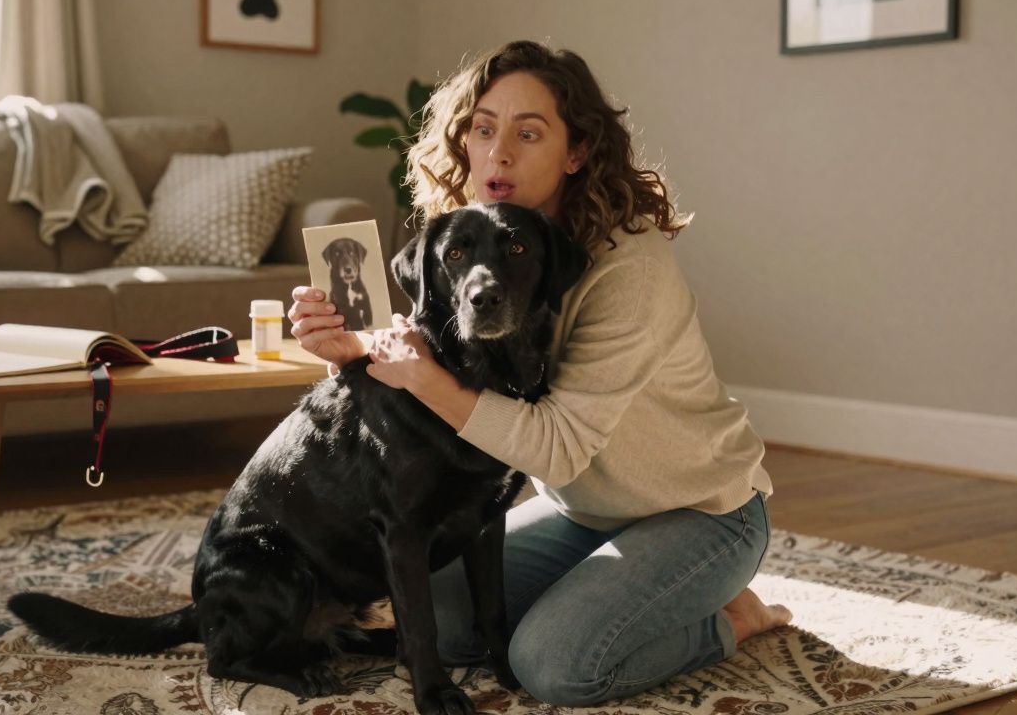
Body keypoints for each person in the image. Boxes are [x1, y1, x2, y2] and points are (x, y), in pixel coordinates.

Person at [287, 40, 791, 707]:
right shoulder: (474, 247)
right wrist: (350, 349)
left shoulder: (628, 270)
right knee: (436, 622)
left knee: (553, 665)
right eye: (484, 129)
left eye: (529, 134)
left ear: (576, 153)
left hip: (702, 512)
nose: (499, 153)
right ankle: (618, 597)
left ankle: (731, 616)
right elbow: (423, 370)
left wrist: (422, 377)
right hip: (584, 513)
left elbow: (554, 442)